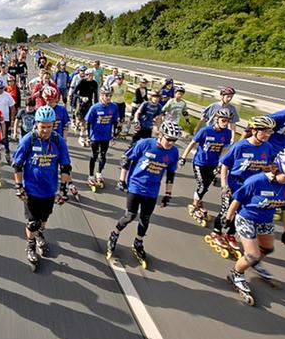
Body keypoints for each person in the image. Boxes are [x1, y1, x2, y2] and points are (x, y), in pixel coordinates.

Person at [108, 121, 182, 267]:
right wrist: (122, 180)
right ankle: (114, 234)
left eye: (174, 141)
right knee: (130, 216)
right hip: (136, 185)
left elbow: (171, 173)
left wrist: (168, 194)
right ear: (160, 135)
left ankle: (138, 242)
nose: (171, 143)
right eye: (168, 139)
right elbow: (126, 159)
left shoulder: (173, 152)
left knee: (145, 219)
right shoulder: (145, 144)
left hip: (152, 190)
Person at [225, 149, 285, 302]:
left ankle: (253, 263)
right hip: (246, 218)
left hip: (265, 220)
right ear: (277, 170)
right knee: (253, 254)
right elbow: (237, 199)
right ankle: (236, 274)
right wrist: (228, 218)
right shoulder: (257, 181)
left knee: (267, 248)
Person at [12, 105, 72, 271]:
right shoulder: (29, 139)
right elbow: (17, 165)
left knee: (43, 220)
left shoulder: (58, 141)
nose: (45, 130)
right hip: (31, 189)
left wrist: (63, 189)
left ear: (53, 125)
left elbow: (65, 167)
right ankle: (30, 245)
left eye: (49, 126)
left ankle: (40, 233)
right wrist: (18, 186)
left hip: (49, 189)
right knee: (32, 222)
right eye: (42, 126)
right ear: (36, 124)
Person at [213, 116, 275, 253]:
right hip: (235, 183)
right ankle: (216, 232)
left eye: (270, 132)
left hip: (252, 188)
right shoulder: (240, 146)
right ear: (254, 131)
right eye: (264, 131)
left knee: (241, 213)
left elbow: (268, 166)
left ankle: (230, 235)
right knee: (226, 210)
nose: (267, 135)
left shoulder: (268, 147)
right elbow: (225, 165)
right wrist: (224, 185)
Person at [179, 109, 232, 228]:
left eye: (227, 121)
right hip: (200, 163)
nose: (225, 123)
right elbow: (192, 143)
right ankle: (195, 205)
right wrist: (183, 157)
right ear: (216, 120)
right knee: (202, 185)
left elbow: (224, 150)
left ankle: (199, 200)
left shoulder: (227, 133)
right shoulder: (205, 131)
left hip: (213, 164)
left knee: (206, 186)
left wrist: (220, 164)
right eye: (223, 120)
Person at [84, 87, 119, 189]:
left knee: (103, 155)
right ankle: (90, 175)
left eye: (110, 96)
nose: (108, 98)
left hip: (106, 136)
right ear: (101, 96)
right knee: (94, 155)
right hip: (95, 136)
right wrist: (88, 136)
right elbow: (88, 123)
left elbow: (114, 122)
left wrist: (114, 135)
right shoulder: (95, 108)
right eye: (106, 95)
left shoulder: (114, 107)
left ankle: (99, 172)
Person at [0, 79, 16, 164]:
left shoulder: (7, 95)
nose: (0, 90)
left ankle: (7, 153)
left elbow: (12, 108)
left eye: (1, 88)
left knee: (5, 137)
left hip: (5, 119)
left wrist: (12, 120)